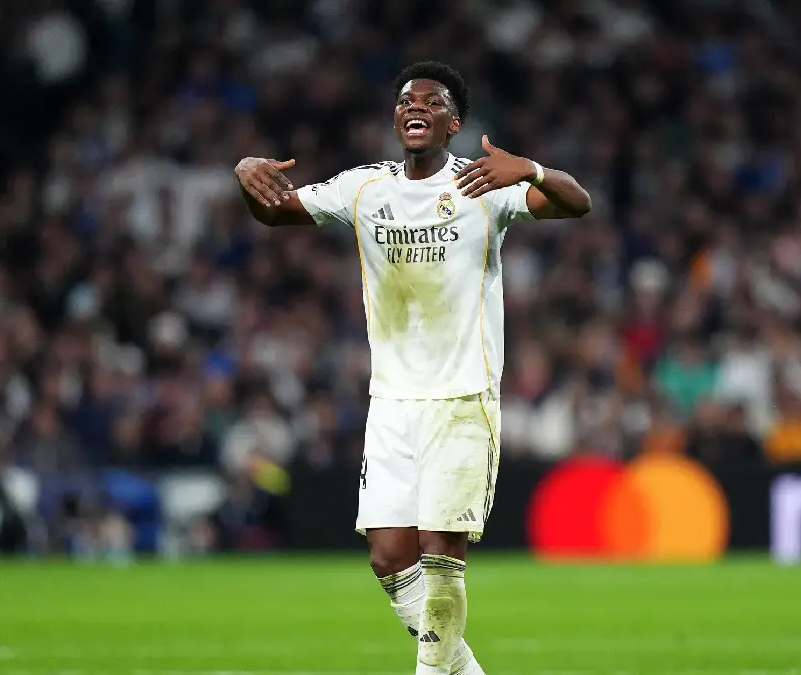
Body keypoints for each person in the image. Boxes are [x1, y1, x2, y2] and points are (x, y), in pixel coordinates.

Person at [235, 61, 591, 675]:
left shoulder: (483, 185)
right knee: (387, 556)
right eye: (406, 100)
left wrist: (533, 170)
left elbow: (577, 203)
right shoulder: (363, 188)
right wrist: (246, 172)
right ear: (396, 118)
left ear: (454, 122)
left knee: (440, 556)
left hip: (463, 396)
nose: (416, 106)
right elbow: (274, 212)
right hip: (393, 401)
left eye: (432, 100)